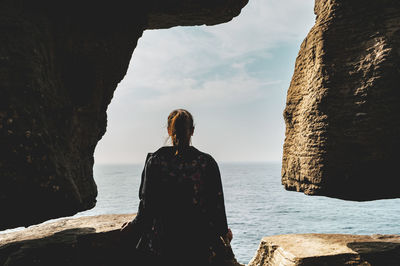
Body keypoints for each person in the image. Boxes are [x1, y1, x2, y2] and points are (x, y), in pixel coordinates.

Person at [121, 109, 238, 266]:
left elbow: (147, 204)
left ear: (169, 131)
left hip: (163, 243)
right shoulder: (206, 162)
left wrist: (134, 225)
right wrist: (223, 233)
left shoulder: (156, 161)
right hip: (197, 243)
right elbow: (216, 205)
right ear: (192, 131)